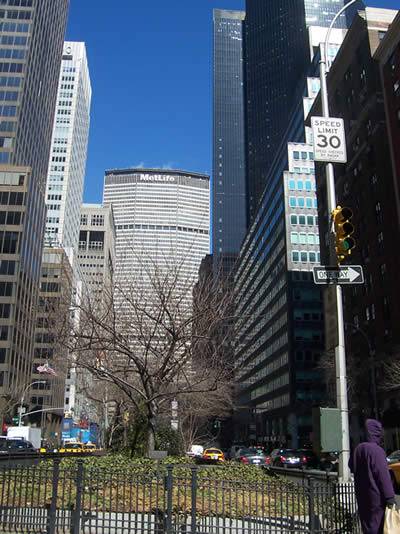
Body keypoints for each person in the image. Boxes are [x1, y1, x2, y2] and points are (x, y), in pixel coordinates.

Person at [350, 419, 395, 534]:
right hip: (376, 497)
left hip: (362, 495)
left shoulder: (358, 449)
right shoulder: (376, 450)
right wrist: (390, 497)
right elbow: (383, 476)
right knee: (378, 526)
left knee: (367, 526)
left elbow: (351, 466)